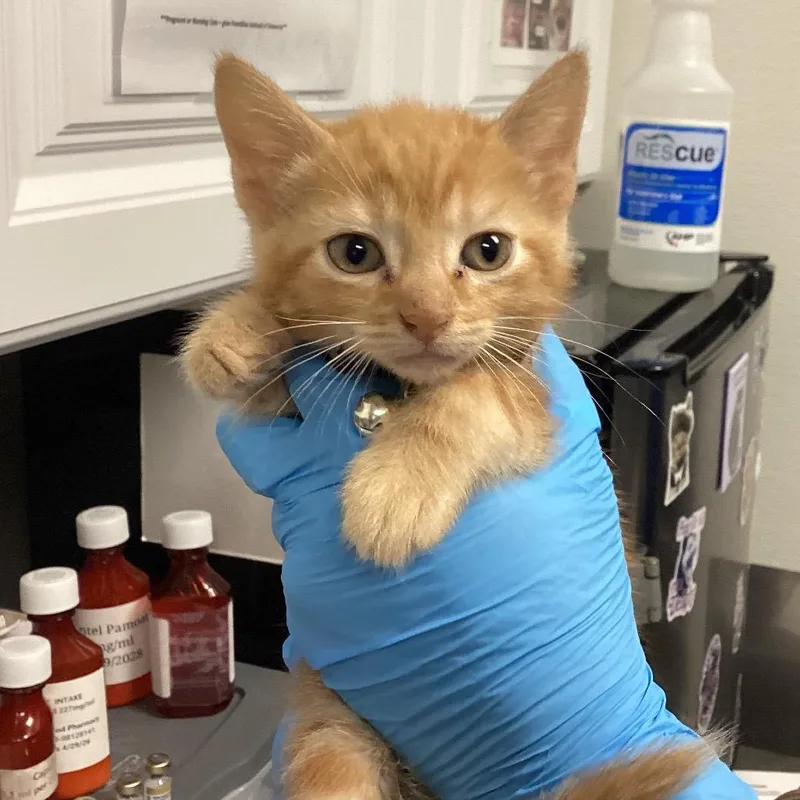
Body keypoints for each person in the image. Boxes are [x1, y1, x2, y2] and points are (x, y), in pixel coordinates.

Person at [216, 327, 755, 800]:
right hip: (356, 717)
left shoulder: (511, 358)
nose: (429, 312)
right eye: (356, 253)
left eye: (484, 251)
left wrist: (602, 746)